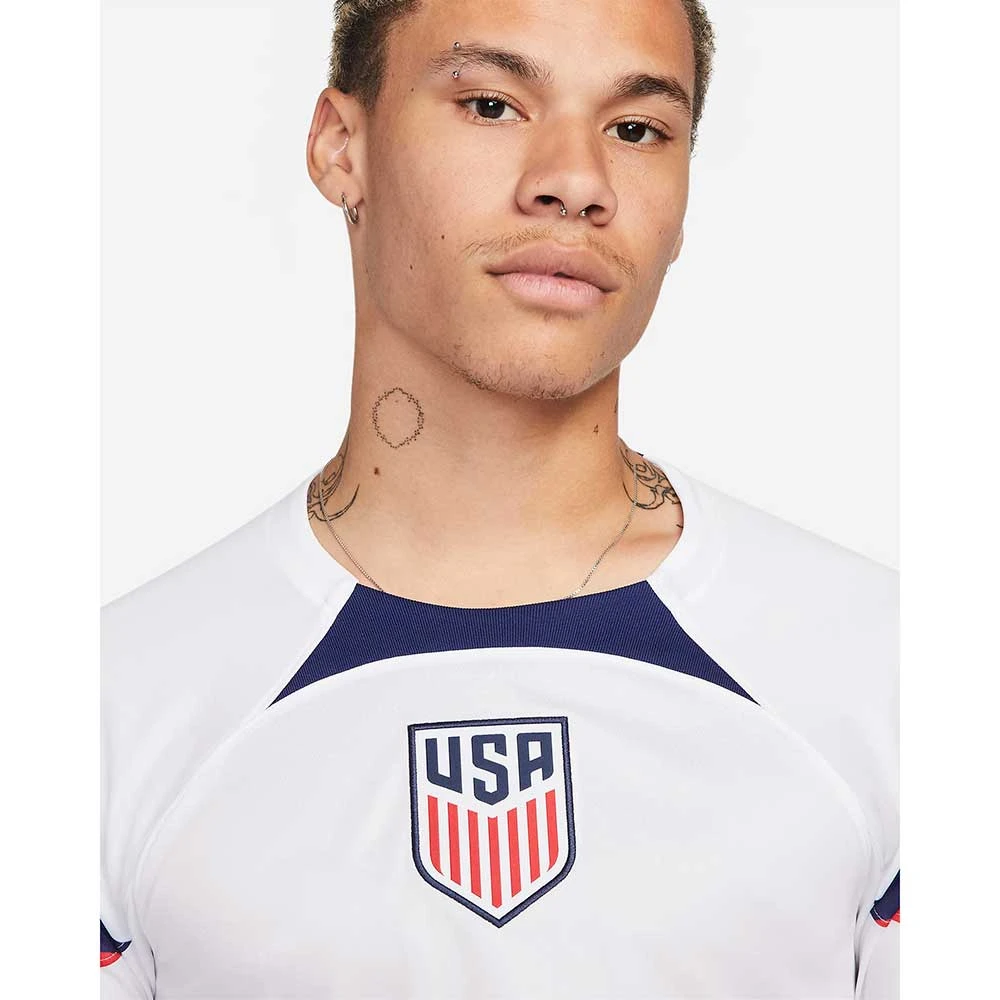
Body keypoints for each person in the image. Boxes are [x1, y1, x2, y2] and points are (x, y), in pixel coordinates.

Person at [101, 0, 899, 996]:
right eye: (490, 105)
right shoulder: (111, 711)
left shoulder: (893, 679)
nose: (576, 180)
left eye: (636, 128)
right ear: (341, 146)